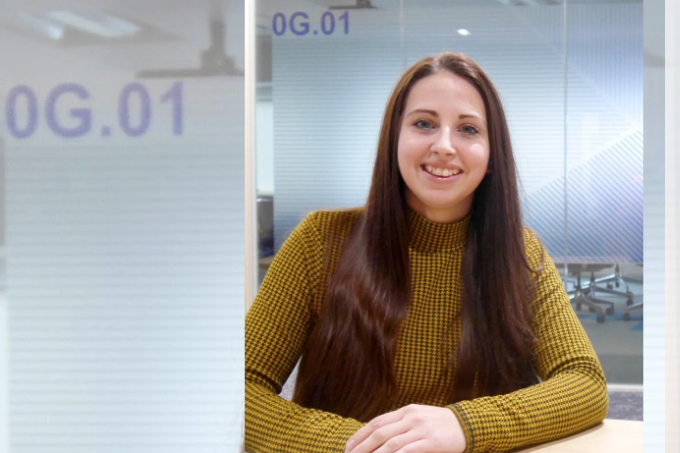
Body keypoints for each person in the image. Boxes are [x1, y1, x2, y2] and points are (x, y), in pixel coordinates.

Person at [245, 52, 608, 453]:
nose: (445, 146)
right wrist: (369, 447)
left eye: (468, 129)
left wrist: (464, 425)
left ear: (491, 157)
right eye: (424, 124)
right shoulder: (320, 241)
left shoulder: (518, 252)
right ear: (393, 140)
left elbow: (585, 382)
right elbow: (238, 392)